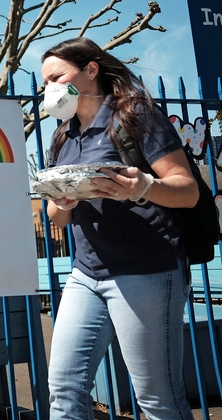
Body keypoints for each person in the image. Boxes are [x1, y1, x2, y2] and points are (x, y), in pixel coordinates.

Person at [40, 37, 197, 419]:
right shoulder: (62, 136)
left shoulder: (134, 115)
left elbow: (187, 190)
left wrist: (144, 187)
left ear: (90, 70)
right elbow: (55, 218)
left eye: (57, 77)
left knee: (157, 399)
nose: (50, 89)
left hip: (147, 270)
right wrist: (62, 201)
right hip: (86, 274)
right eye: (44, 83)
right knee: (64, 390)